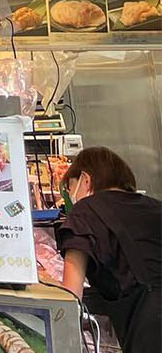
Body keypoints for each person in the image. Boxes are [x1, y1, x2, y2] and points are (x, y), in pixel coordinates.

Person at [58, 147, 161, 352]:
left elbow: (71, 295)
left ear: (85, 180)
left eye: (69, 188)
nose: (70, 198)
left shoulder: (84, 210)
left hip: (151, 327)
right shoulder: (155, 205)